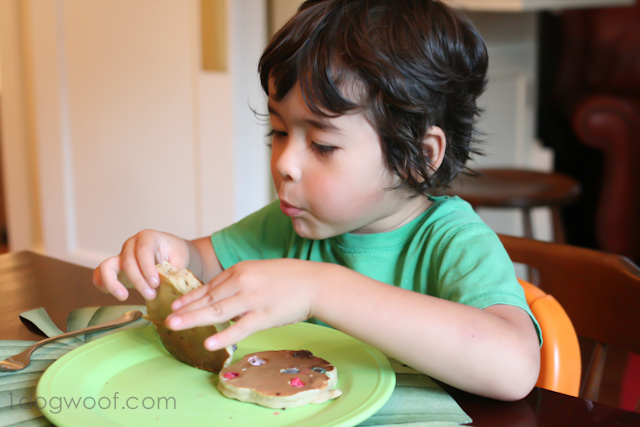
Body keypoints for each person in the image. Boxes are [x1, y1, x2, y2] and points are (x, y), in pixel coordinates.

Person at [94, 0, 541, 401]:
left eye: (323, 146)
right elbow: (204, 267)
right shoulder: (287, 225)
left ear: (419, 157)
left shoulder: (452, 242)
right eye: (280, 133)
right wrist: (170, 256)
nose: (285, 163)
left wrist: (319, 288)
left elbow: (513, 367)